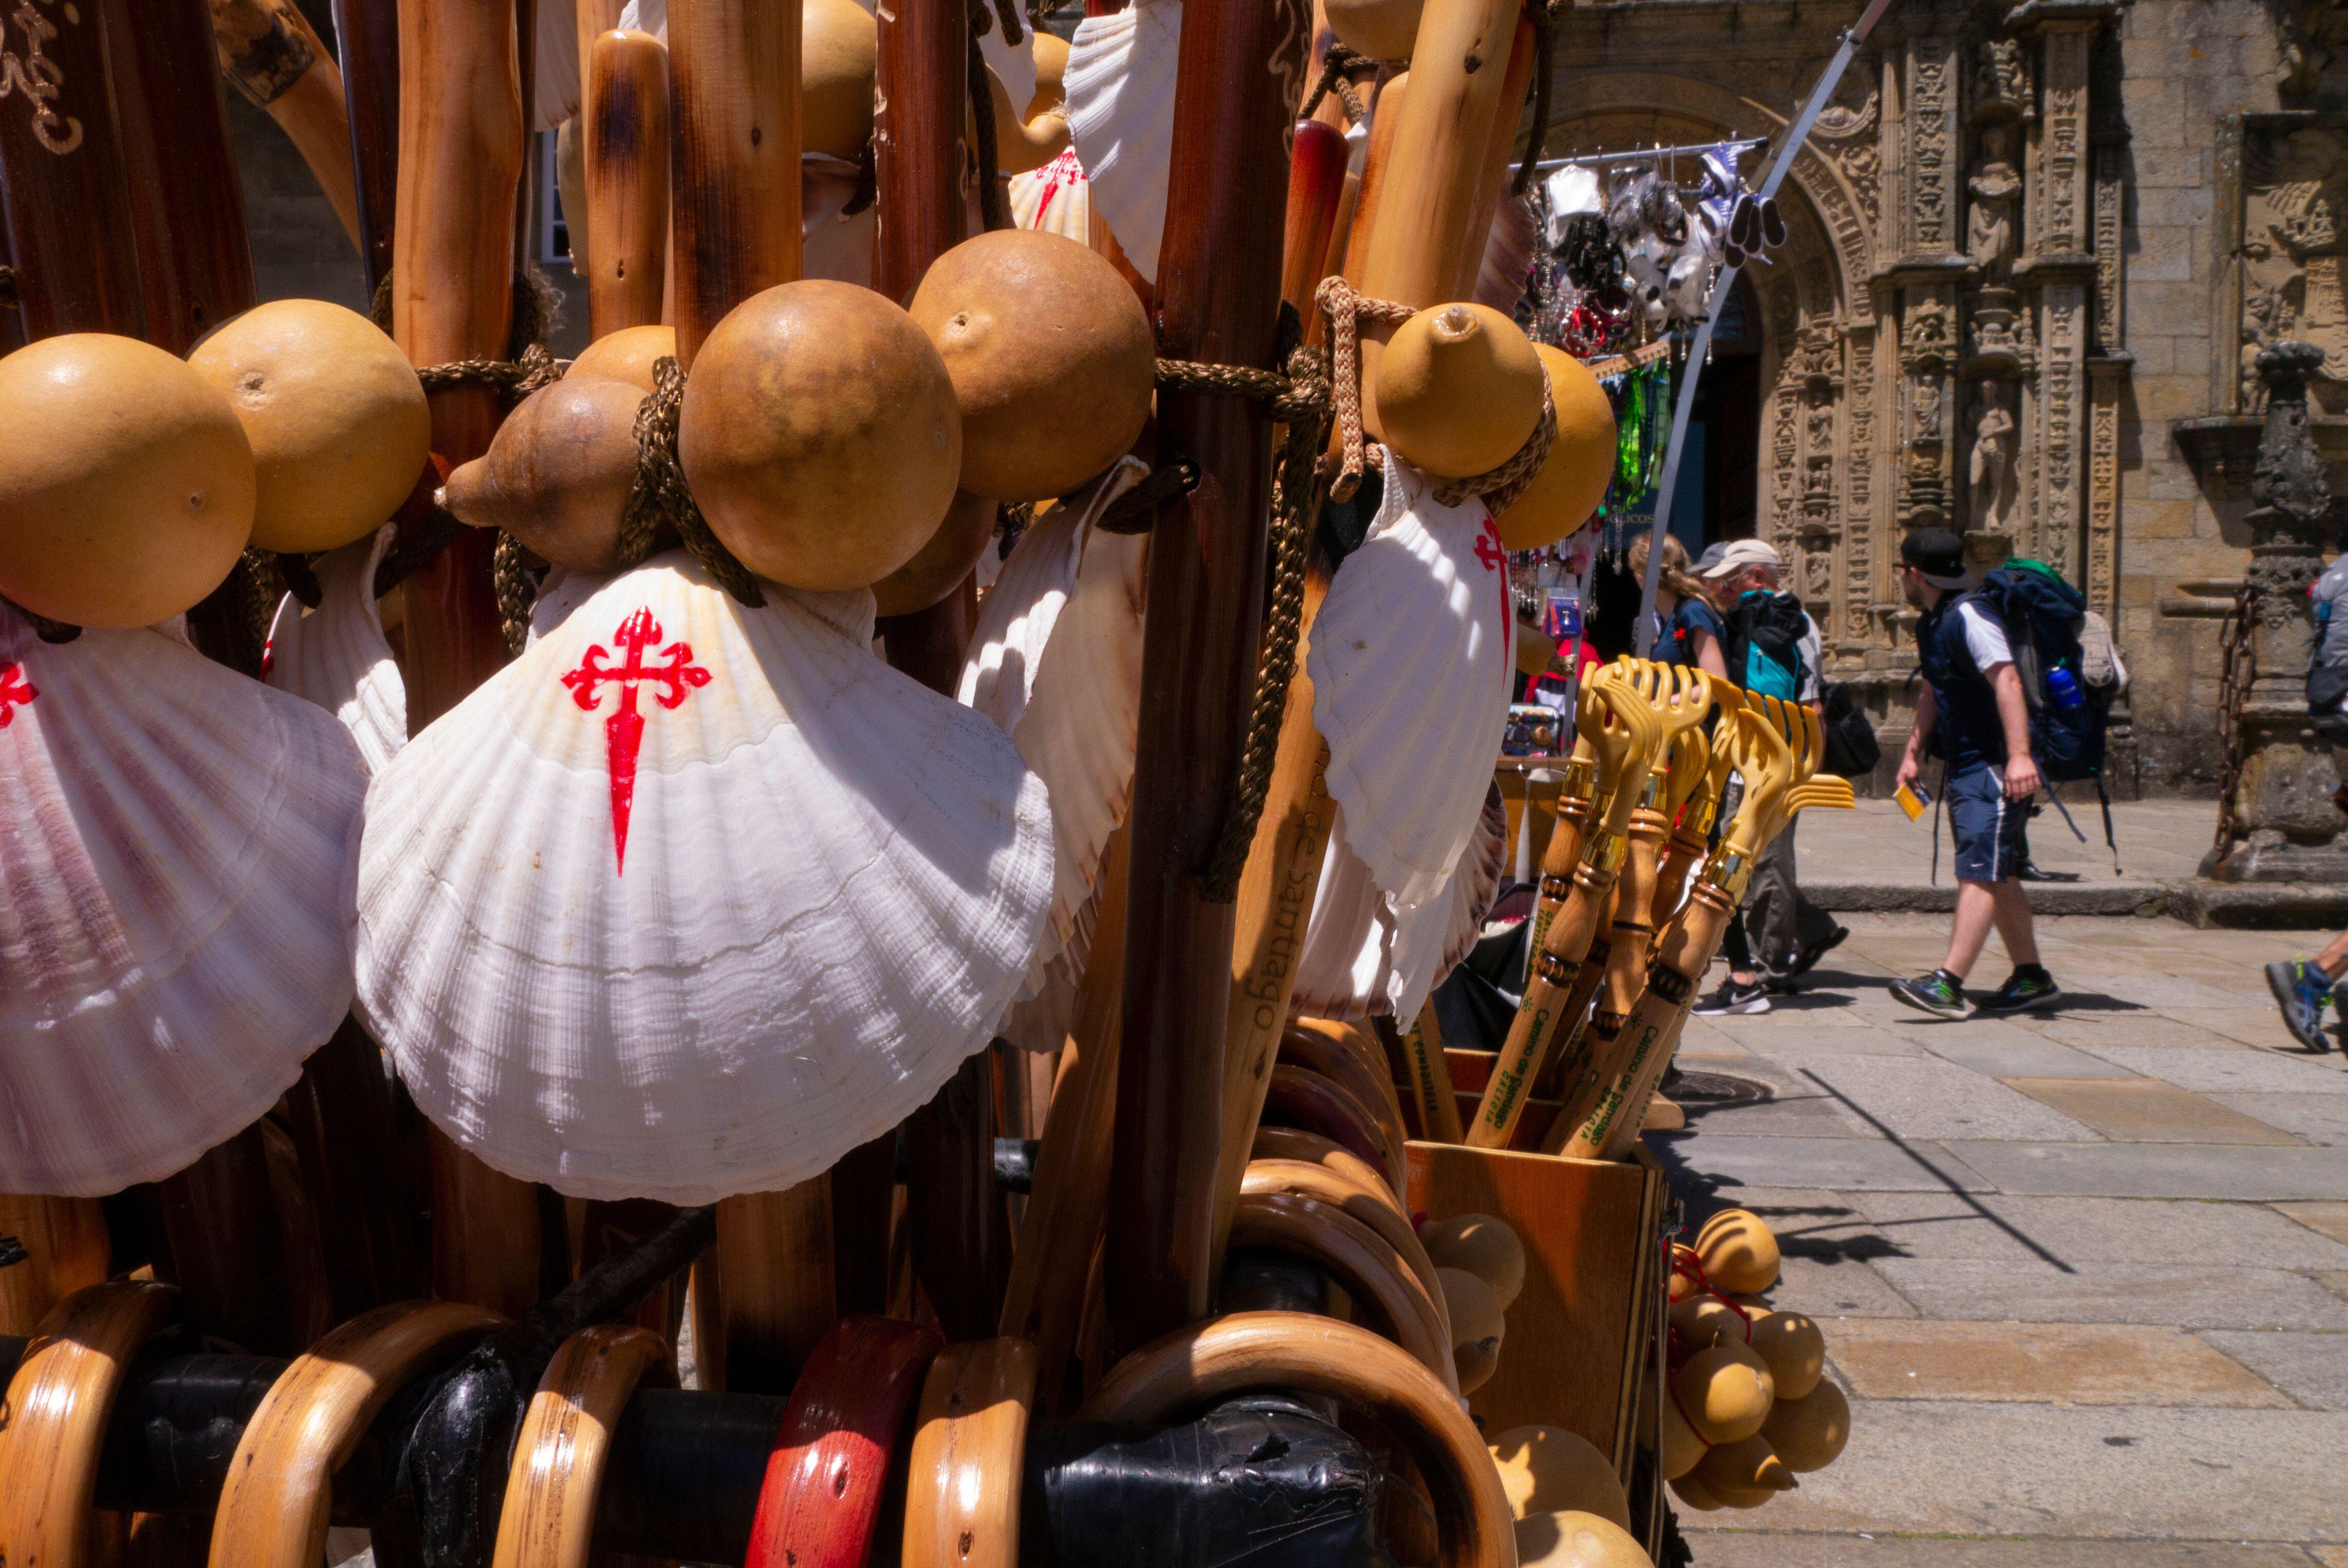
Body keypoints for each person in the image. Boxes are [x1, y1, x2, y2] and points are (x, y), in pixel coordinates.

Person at [1889, 526, 2062, 1018]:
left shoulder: (1968, 614)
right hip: (1967, 764)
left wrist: (2020, 757)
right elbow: (1932, 690)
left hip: (1992, 765)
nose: (1903, 578)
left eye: (1904, 570)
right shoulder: (1935, 621)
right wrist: (1912, 751)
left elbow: (2006, 678)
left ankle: (1948, 984)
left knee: (1980, 871)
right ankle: (2031, 976)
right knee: (1997, 871)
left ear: (1915, 573)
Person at [1692, 539, 1848, 1015]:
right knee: (1753, 856)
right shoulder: (1745, 621)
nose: (1718, 587)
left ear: (1757, 576)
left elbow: (1810, 697)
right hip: (1747, 755)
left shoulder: (1792, 623)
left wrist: (1805, 769)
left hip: (1778, 757)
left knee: (1766, 862)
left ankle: (1765, 968)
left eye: (1729, 578)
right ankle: (1808, 930)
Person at [1631, 532, 1729, 677]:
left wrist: (1658, 701)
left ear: (1643, 577)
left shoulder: (1693, 611)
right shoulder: (1672, 616)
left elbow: (1717, 683)